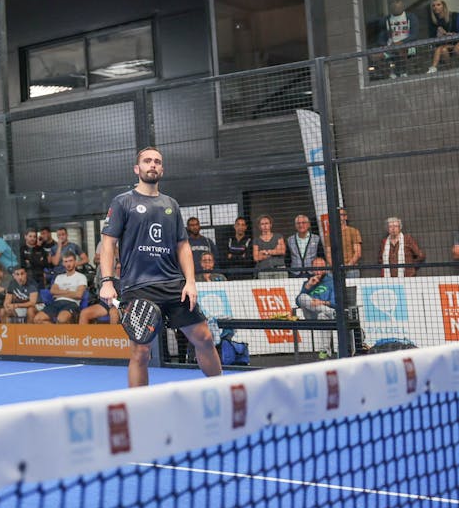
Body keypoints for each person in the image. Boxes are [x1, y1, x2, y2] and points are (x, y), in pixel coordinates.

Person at [99, 147, 222, 388]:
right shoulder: (123, 202)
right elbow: (108, 243)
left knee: (205, 338)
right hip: (137, 287)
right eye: (147, 161)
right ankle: (138, 409)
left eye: (157, 161)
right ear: (137, 169)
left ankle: (223, 392)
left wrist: (190, 281)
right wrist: (107, 281)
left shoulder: (171, 205)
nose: (152, 165)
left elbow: (183, 246)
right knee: (141, 352)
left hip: (174, 285)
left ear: (162, 169)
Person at [33, 251, 87, 324]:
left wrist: (59, 293)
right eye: (66, 261)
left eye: (70, 261)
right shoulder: (59, 277)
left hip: (71, 303)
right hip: (57, 303)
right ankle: (57, 333)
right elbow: (52, 291)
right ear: (63, 263)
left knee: (62, 319)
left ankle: (60, 333)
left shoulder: (81, 277)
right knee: (37, 319)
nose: (68, 264)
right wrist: (68, 292)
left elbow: (78, 295)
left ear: (75, 262)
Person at [374, 0, 420, 78]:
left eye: (398, 4)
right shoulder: (385, 20)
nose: (396, 7)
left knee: (400, 49)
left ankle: (402, 72)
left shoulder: (410, 17)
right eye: (393, 5)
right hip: (390, 47)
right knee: (374, 57)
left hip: (408, 47)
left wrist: (401, 42)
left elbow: (414, 35)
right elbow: (381, 36)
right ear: (390, 7)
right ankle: (390, 74)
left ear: (403, 6)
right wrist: (383, 45)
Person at [426, 0, 459, 73]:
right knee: (443, 50)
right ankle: (450, 70)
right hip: (444, 44)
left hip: (456, 43)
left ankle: (434, 67)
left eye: (438, 5)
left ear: (444, 6)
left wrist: (451, 34)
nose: (435, 7)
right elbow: (432, 38)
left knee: (441, 49)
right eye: (433, 6)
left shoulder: (454, 16)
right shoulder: (433, 21)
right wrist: (438, 36)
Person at [326, 208, 363, 279]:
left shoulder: (353, 231)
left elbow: (358, 253)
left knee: (352, 289)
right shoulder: (330, 234)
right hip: (335, 269)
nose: (338, 217)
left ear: (345, 217)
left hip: (351, 268)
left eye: (341, 215)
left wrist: (347, 266)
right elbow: (328, 253)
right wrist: (335, 266)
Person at [251, 215, 286, 279]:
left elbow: (282, 251)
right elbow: (256, 257)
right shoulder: (256, 240)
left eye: (266, 223)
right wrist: (275, 251)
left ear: (271, 225)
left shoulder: (278, 236)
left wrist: (266, 252)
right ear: (259, 226)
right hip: (263, 270)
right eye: (262, 224)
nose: (265, 226)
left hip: (279, 269)